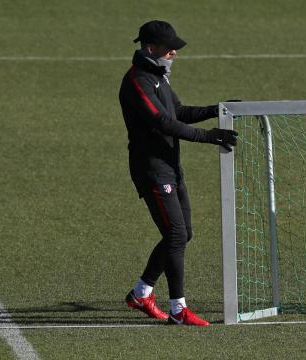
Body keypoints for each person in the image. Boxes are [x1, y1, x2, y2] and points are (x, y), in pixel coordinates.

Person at [118, 20, 238, 326]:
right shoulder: (137, 81)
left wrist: (219, 109)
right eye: (169, 48)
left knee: (183, 233)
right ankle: (178, 309)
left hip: (171, 168)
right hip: (153, 171)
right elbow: (162, 122)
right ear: (150, 48)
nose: (174, 52)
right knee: (175, 234)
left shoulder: (158, 78)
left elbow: (179, 112)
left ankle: (141, 292)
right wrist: (207, 137)